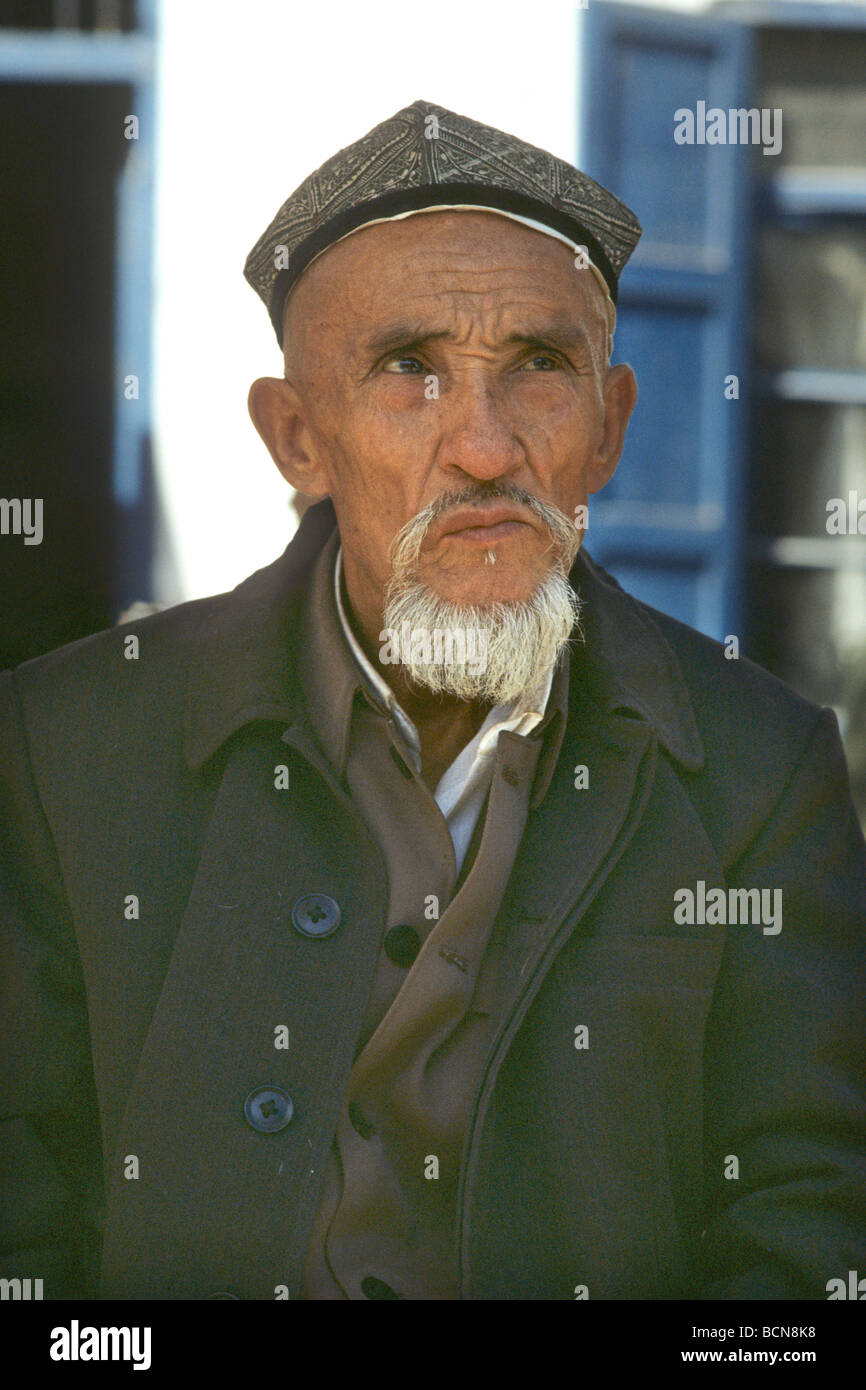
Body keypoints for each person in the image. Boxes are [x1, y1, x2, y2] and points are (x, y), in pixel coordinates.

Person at [1, 100, 864, 1302]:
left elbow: (808, 1211)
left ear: (607, 430)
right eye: (409, 370)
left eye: (538, 370)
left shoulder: (758, 767)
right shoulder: (66, 746)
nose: (483, 446)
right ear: (296, 438)